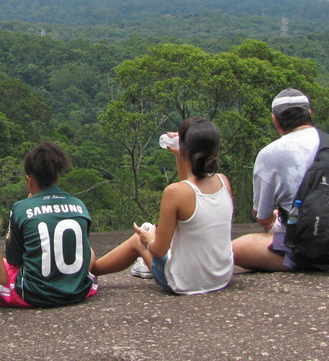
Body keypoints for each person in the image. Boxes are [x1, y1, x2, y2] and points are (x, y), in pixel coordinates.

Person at [232, 89, 329, 272]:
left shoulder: (270, 154)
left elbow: (262, 217)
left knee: (234, 249)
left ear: (276, 120)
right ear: (309, 114)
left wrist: (274, 218)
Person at [93, 118, 234, 294]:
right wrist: (179, 156)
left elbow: (159, 251)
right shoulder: (223, 181)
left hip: (183, 282)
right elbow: (190, 194)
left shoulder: (173, 192)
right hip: (221, 278)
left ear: (185, 148)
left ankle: (92, 271)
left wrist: (148, 239)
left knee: (140, 237)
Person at [0, 141, 97, 308]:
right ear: (57, 175)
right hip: (78, 291)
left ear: (29, 180)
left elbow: (14, 259)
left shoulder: (21, 208)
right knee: (90, 251)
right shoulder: (79, 205)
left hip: (33, 294)